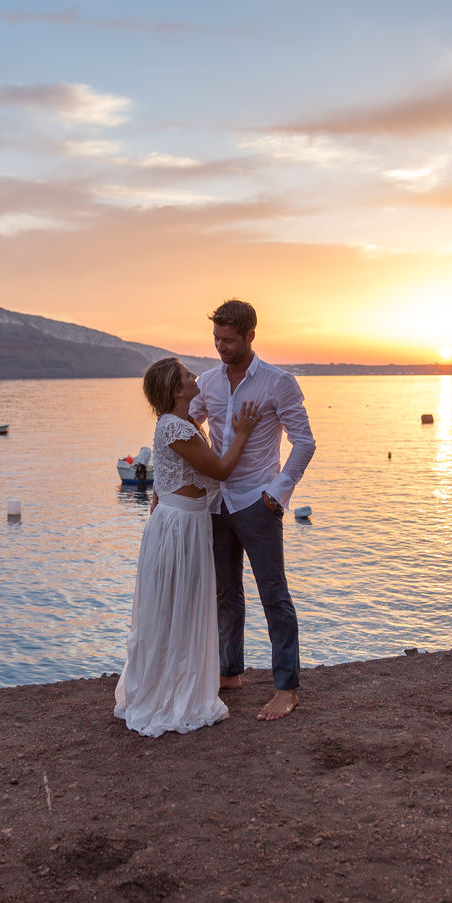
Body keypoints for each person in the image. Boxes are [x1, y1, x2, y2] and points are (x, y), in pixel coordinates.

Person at [114, 357, 260, 737]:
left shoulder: (183, 424)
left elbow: (167, 479)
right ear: (177, 390)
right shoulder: (174, 426)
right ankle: (168, 692)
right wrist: (243, 431)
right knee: (175, 606)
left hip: (189, 522)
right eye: (187, 375)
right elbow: (221, 470)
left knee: (185, 604)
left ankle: (179, 682)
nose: (195, 376)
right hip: (180, 526)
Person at [189, 300, 316, 721]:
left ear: (249, 336)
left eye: (228, 340)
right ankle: (230, 672)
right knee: (225, 593)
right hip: (215, 503)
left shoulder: (279, 383)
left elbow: (304, 442)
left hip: (257, 502)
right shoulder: (207, 382)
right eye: (216, 340)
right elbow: (185, 425)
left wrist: (277, 494)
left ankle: (287, 689)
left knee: (273, 595)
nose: (221, 347)